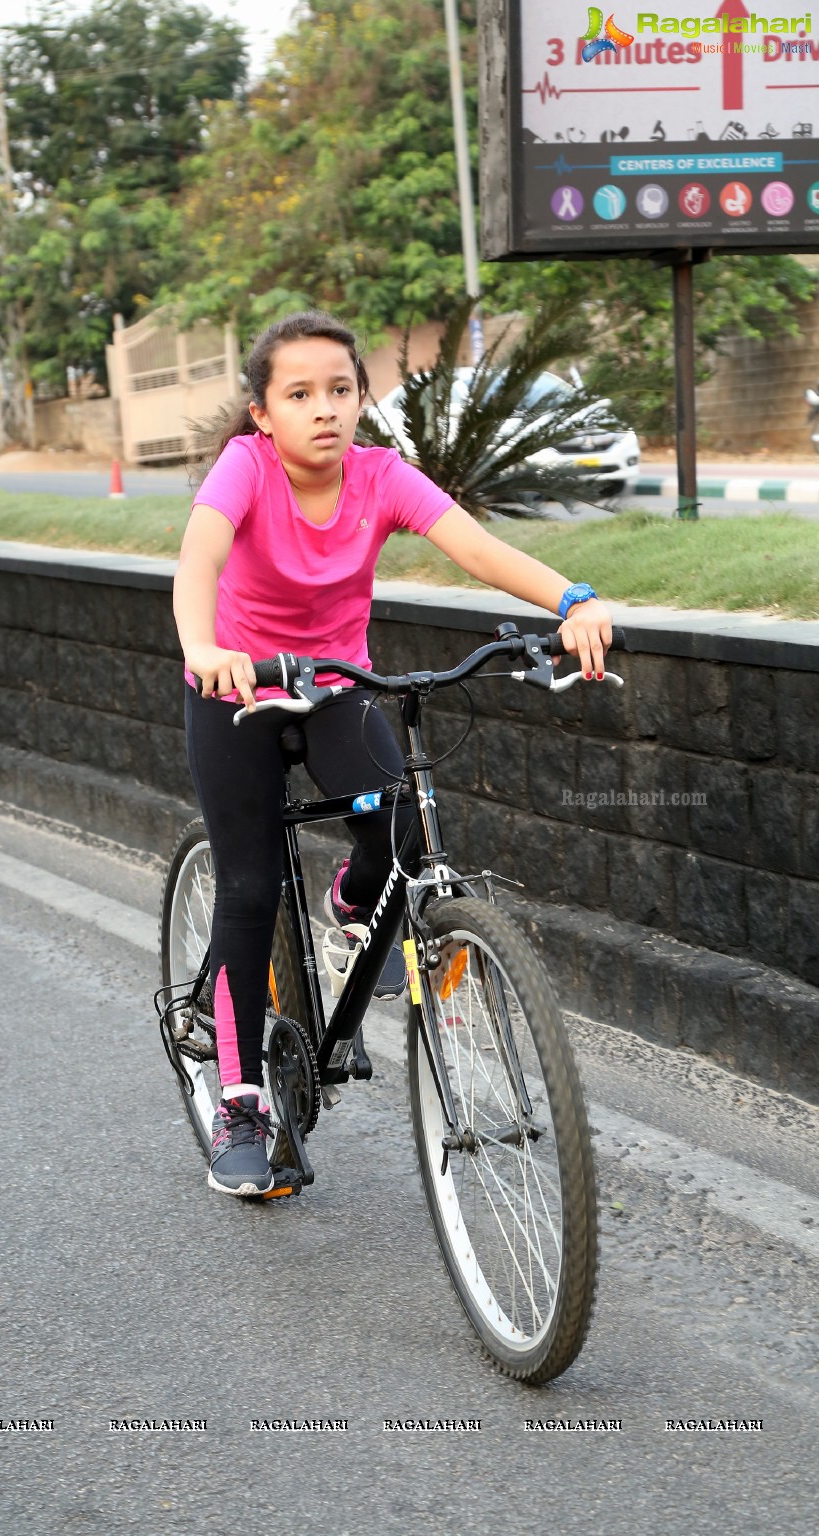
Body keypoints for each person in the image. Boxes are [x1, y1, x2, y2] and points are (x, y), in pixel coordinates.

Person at [172, 310, 613, 1198]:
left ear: (361, 400)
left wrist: (573, 597)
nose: (324, 409)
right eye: (299, 394)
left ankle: (352, 899)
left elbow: (474, 547)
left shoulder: (379, 477)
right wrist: (202, 648)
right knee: (251, 886)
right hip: (238, 695)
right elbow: (198, 562)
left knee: (404, 822)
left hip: (336, 688)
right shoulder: (245, 470)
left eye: (341, 390)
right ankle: (242, 1100)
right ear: (263, 412)